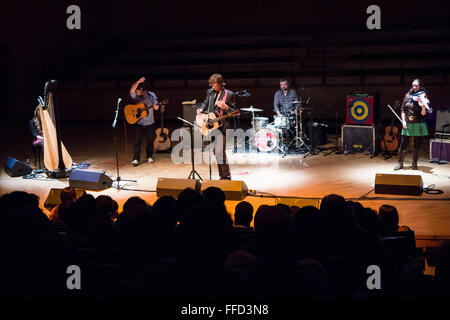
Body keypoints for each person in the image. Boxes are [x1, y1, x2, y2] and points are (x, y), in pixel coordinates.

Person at [197, 73, 235, 180]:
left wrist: (226, 107)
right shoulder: (210, 92)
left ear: (221, 83)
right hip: (212, 126)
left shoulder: (229, 94)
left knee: (220, 152)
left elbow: (234, 111)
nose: (213, 86)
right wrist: (201, 109)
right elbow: (206, 103)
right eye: (212, 84)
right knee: (216, 152)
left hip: (222, 127)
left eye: (215, 84)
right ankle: (222, 176)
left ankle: (227, 176)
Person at [394, 79, 430, 170]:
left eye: (416, 86)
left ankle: (414, 164)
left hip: (418, 123)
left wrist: (423, 107)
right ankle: (399, 163)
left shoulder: (423, 96)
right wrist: (403, 121)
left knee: (417, 144)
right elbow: (402, 110)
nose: (414, 87)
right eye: (413, 85)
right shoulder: (407, 96)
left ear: (420, 86)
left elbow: (423, 114)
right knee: (403, 143)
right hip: (407, 123)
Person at [129, 77, 159, 166]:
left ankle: (149, 156)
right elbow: (131, 91)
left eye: (137, 91)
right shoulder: (136, 96)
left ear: (141, 89)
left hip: (149, 122)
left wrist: (156, 106)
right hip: (138, 121)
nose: (136, 93)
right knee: (137, 141)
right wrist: (137, 82)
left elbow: (156, 106)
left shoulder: (151, 95)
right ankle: (136, 158)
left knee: (150, 140)